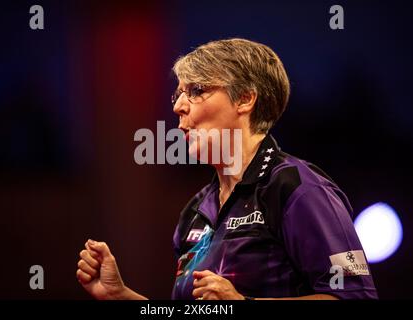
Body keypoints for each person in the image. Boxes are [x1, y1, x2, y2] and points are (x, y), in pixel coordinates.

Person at [76, 38, 378, 300]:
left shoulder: (299, 189)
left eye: (195, 90)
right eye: (178, 93)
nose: (178, 106)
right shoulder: (194, 211)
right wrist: (120, 294)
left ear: (245, 98)